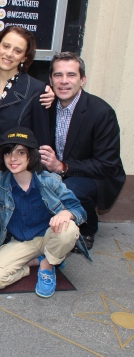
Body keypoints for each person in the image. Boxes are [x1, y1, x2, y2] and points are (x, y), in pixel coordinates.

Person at [0, 127, 86, 298]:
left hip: (49, 235)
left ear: (31, 155)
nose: (13, 158)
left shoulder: (50, 181)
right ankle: (37, 261)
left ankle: (47, 266)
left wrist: (66, 214)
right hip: (20, 242)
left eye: (21, 152)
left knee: (70, 229)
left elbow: (79, 210)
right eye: (8, 153)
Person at [40, 52, 126, 250]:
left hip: (95, 175)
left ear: (83, 80)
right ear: (50, 80)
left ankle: (87, 228)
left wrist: (63, 167)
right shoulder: (48, 106)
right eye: (58, 75)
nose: (63, 81)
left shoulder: (101, 113)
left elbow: (107, 165)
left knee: (72, 188)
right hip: (58, 170)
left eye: (71, 75)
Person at [0, 26, 51, 189]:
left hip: (20, 184)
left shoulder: (37, 91)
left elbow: (41, 144)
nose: (9, 54)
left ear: (25, 57)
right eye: (6, 46)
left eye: (17, 50)